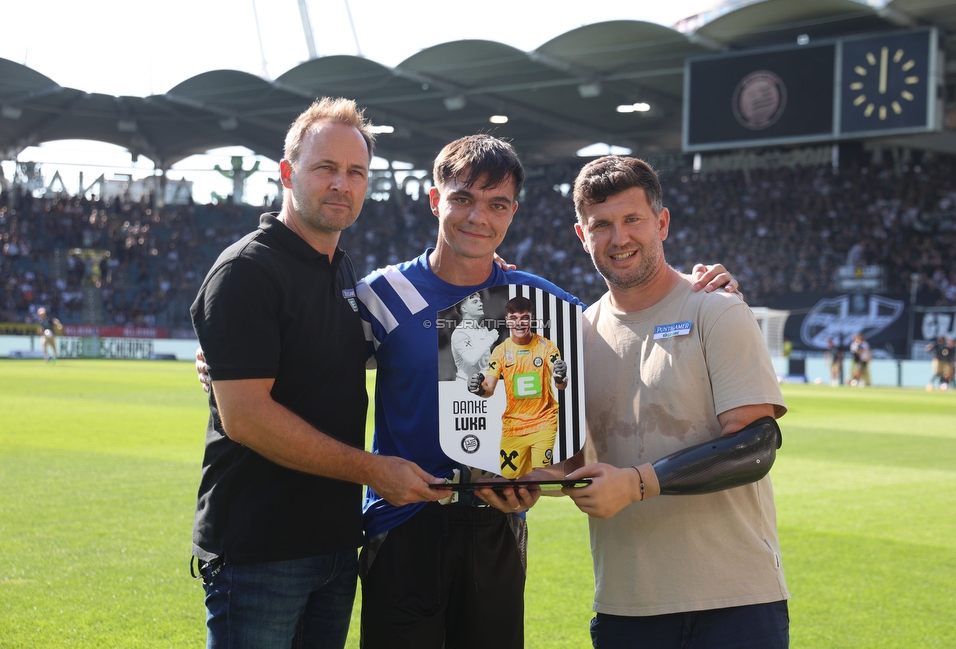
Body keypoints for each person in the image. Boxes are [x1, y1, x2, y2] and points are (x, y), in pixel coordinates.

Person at [196, 134, 739, 648]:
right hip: (399, 523)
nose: (479, 217)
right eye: (463, 198)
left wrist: (700, 286)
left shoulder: (542, 304)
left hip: (496, 525)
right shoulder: (379, 296)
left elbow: (586, 401)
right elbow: (299, 357)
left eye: (497, 204)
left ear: (513, 213)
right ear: (435, 200)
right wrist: (213, 365)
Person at [188, 97, 441, 649]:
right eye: (326, 167)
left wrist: (492, 283)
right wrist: (372, 469)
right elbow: (248, 418)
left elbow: (414, 341)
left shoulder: (344, 271)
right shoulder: (246, 271)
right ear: (288, 172)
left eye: (356, 172)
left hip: (333, 546)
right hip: (261, 552)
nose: (341, 184)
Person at [515, 155, 790, 648]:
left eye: (632, 219)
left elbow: (757, 444)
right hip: (627, 606)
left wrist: (638, 484)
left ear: (661, 222)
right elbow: (568, 464)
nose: (618, 238)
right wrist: (515, 479)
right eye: (601, 225)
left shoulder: (716, 309)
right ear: (582, 235)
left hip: (736, 603)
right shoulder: (572, 339)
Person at [468, 295, 568, 478]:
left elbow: (560, 383)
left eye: (524, 318)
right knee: (508, 482)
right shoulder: (500, 351)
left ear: (531, 319)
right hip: (513, 427)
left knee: (539, 477)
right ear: (507, 320)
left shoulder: (546, 346)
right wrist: (478, 388)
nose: (519, 323)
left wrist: (560, 376)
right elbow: (488, 389)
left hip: (543, 421)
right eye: (514, 318)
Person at [451, 290, 498, 381]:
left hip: (485, 384)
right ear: (464, 309)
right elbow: (471, 359)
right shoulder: (460, 333)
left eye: (480, 301)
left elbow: (487, 363)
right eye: (475, 302)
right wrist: (489, 339)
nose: (480, 304)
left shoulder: (483, 330)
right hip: (465, 386)